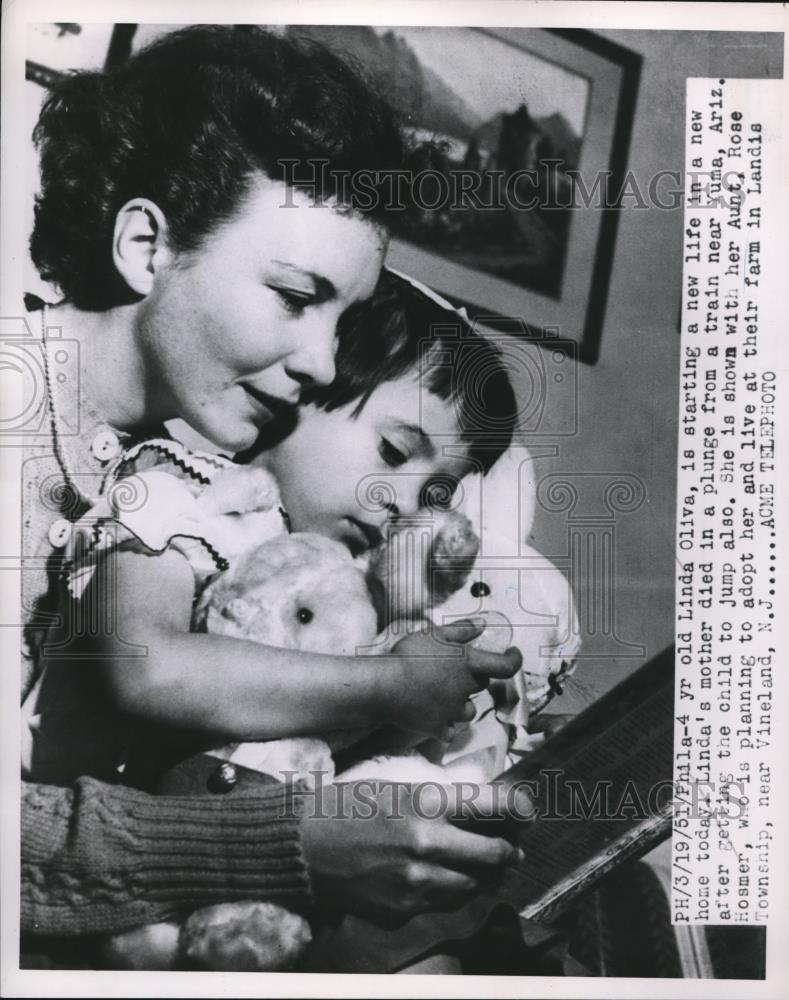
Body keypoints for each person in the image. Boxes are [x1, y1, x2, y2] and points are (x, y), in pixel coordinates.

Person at [20, 25, 522, 950]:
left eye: (346, 320)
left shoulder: (185, 467)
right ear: (145, 244)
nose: (322, 362)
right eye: (296, 296)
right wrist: (279, 842)